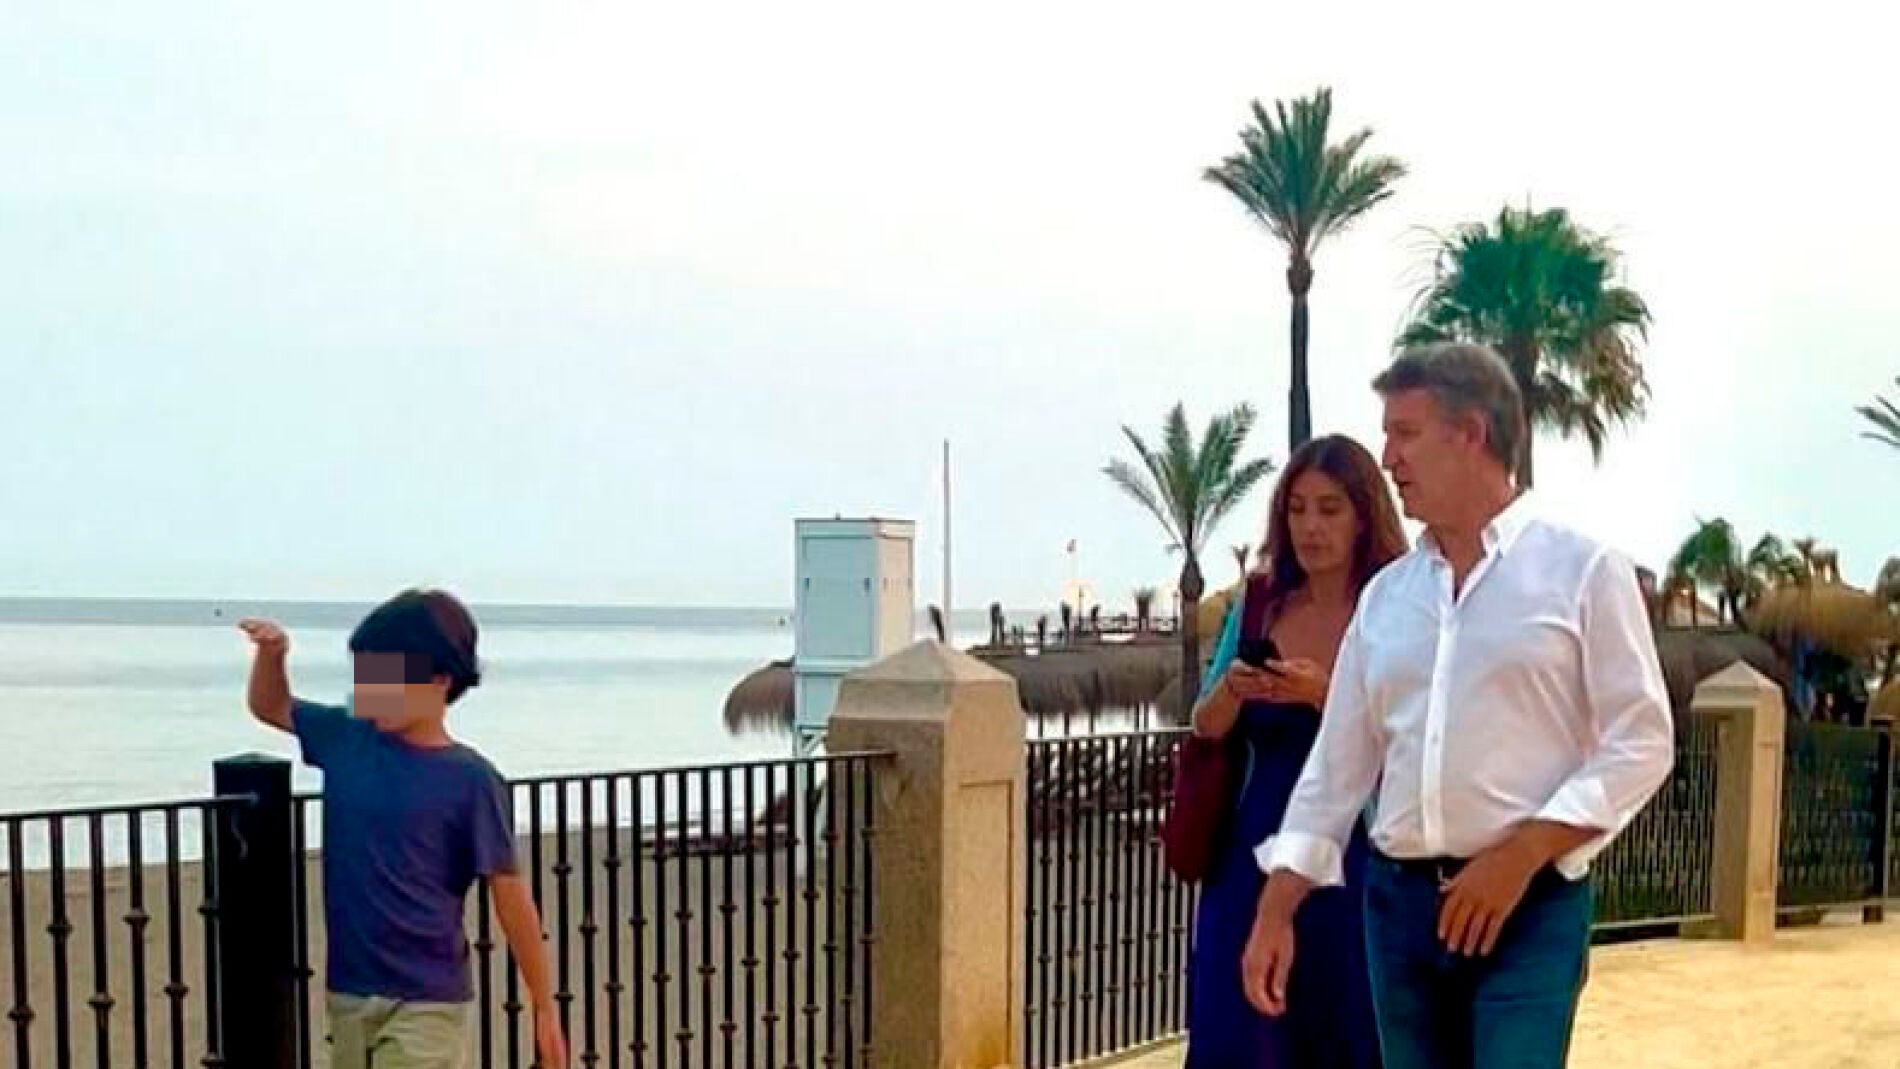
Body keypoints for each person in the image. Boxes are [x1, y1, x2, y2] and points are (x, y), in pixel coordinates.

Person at [1244, 344, 1675, 1069]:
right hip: (1398, 915)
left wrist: (1523, 852)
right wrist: (1275, 909)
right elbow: (1338, 768)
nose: (1388, 457)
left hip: (1529, 909)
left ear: (1470, 432)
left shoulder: (1584, 573)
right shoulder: (1387, 598)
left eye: (1405, 433)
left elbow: (1643, 741)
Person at [239, 590, 569, 1069]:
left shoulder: (471, 780)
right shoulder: (347, 737)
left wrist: (544, 1007)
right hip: (349, 992)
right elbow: (271, 706)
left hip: (428, 1000)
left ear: (440, 678)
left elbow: (511, 896)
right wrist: (274, 655)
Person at [1184, 434, 1407, 1068]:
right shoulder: (1260, 605)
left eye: (1330, 509)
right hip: (1251, 848)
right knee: (1240, 1027)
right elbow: (1204, 725)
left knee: (1342, 1020)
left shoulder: (1395, 607)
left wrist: (1325, 696)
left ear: (1364, 515)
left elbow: (1414, 735)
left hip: (1355, 851)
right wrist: (1234, 688)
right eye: (1298, 509)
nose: (1311, 526)